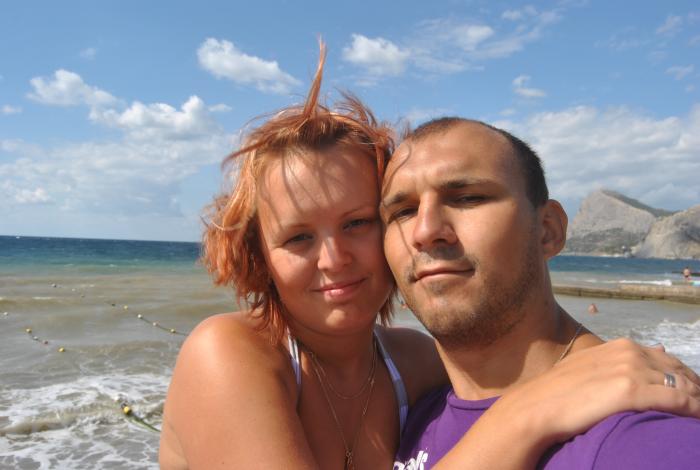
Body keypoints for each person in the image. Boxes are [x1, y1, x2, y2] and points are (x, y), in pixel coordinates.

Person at [159, 46, 700, 469]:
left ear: (549, 230)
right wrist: (530, 409)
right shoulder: (232, 354)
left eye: (358, 222)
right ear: (260, 259)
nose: (334, 258)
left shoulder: (418, 366)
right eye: (298, 238)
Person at [384, 117, 700, 469]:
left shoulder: (639, 436)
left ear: (548, 230)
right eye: (403, 211)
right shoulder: (407, 414)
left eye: (468, 198)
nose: (425, 231)